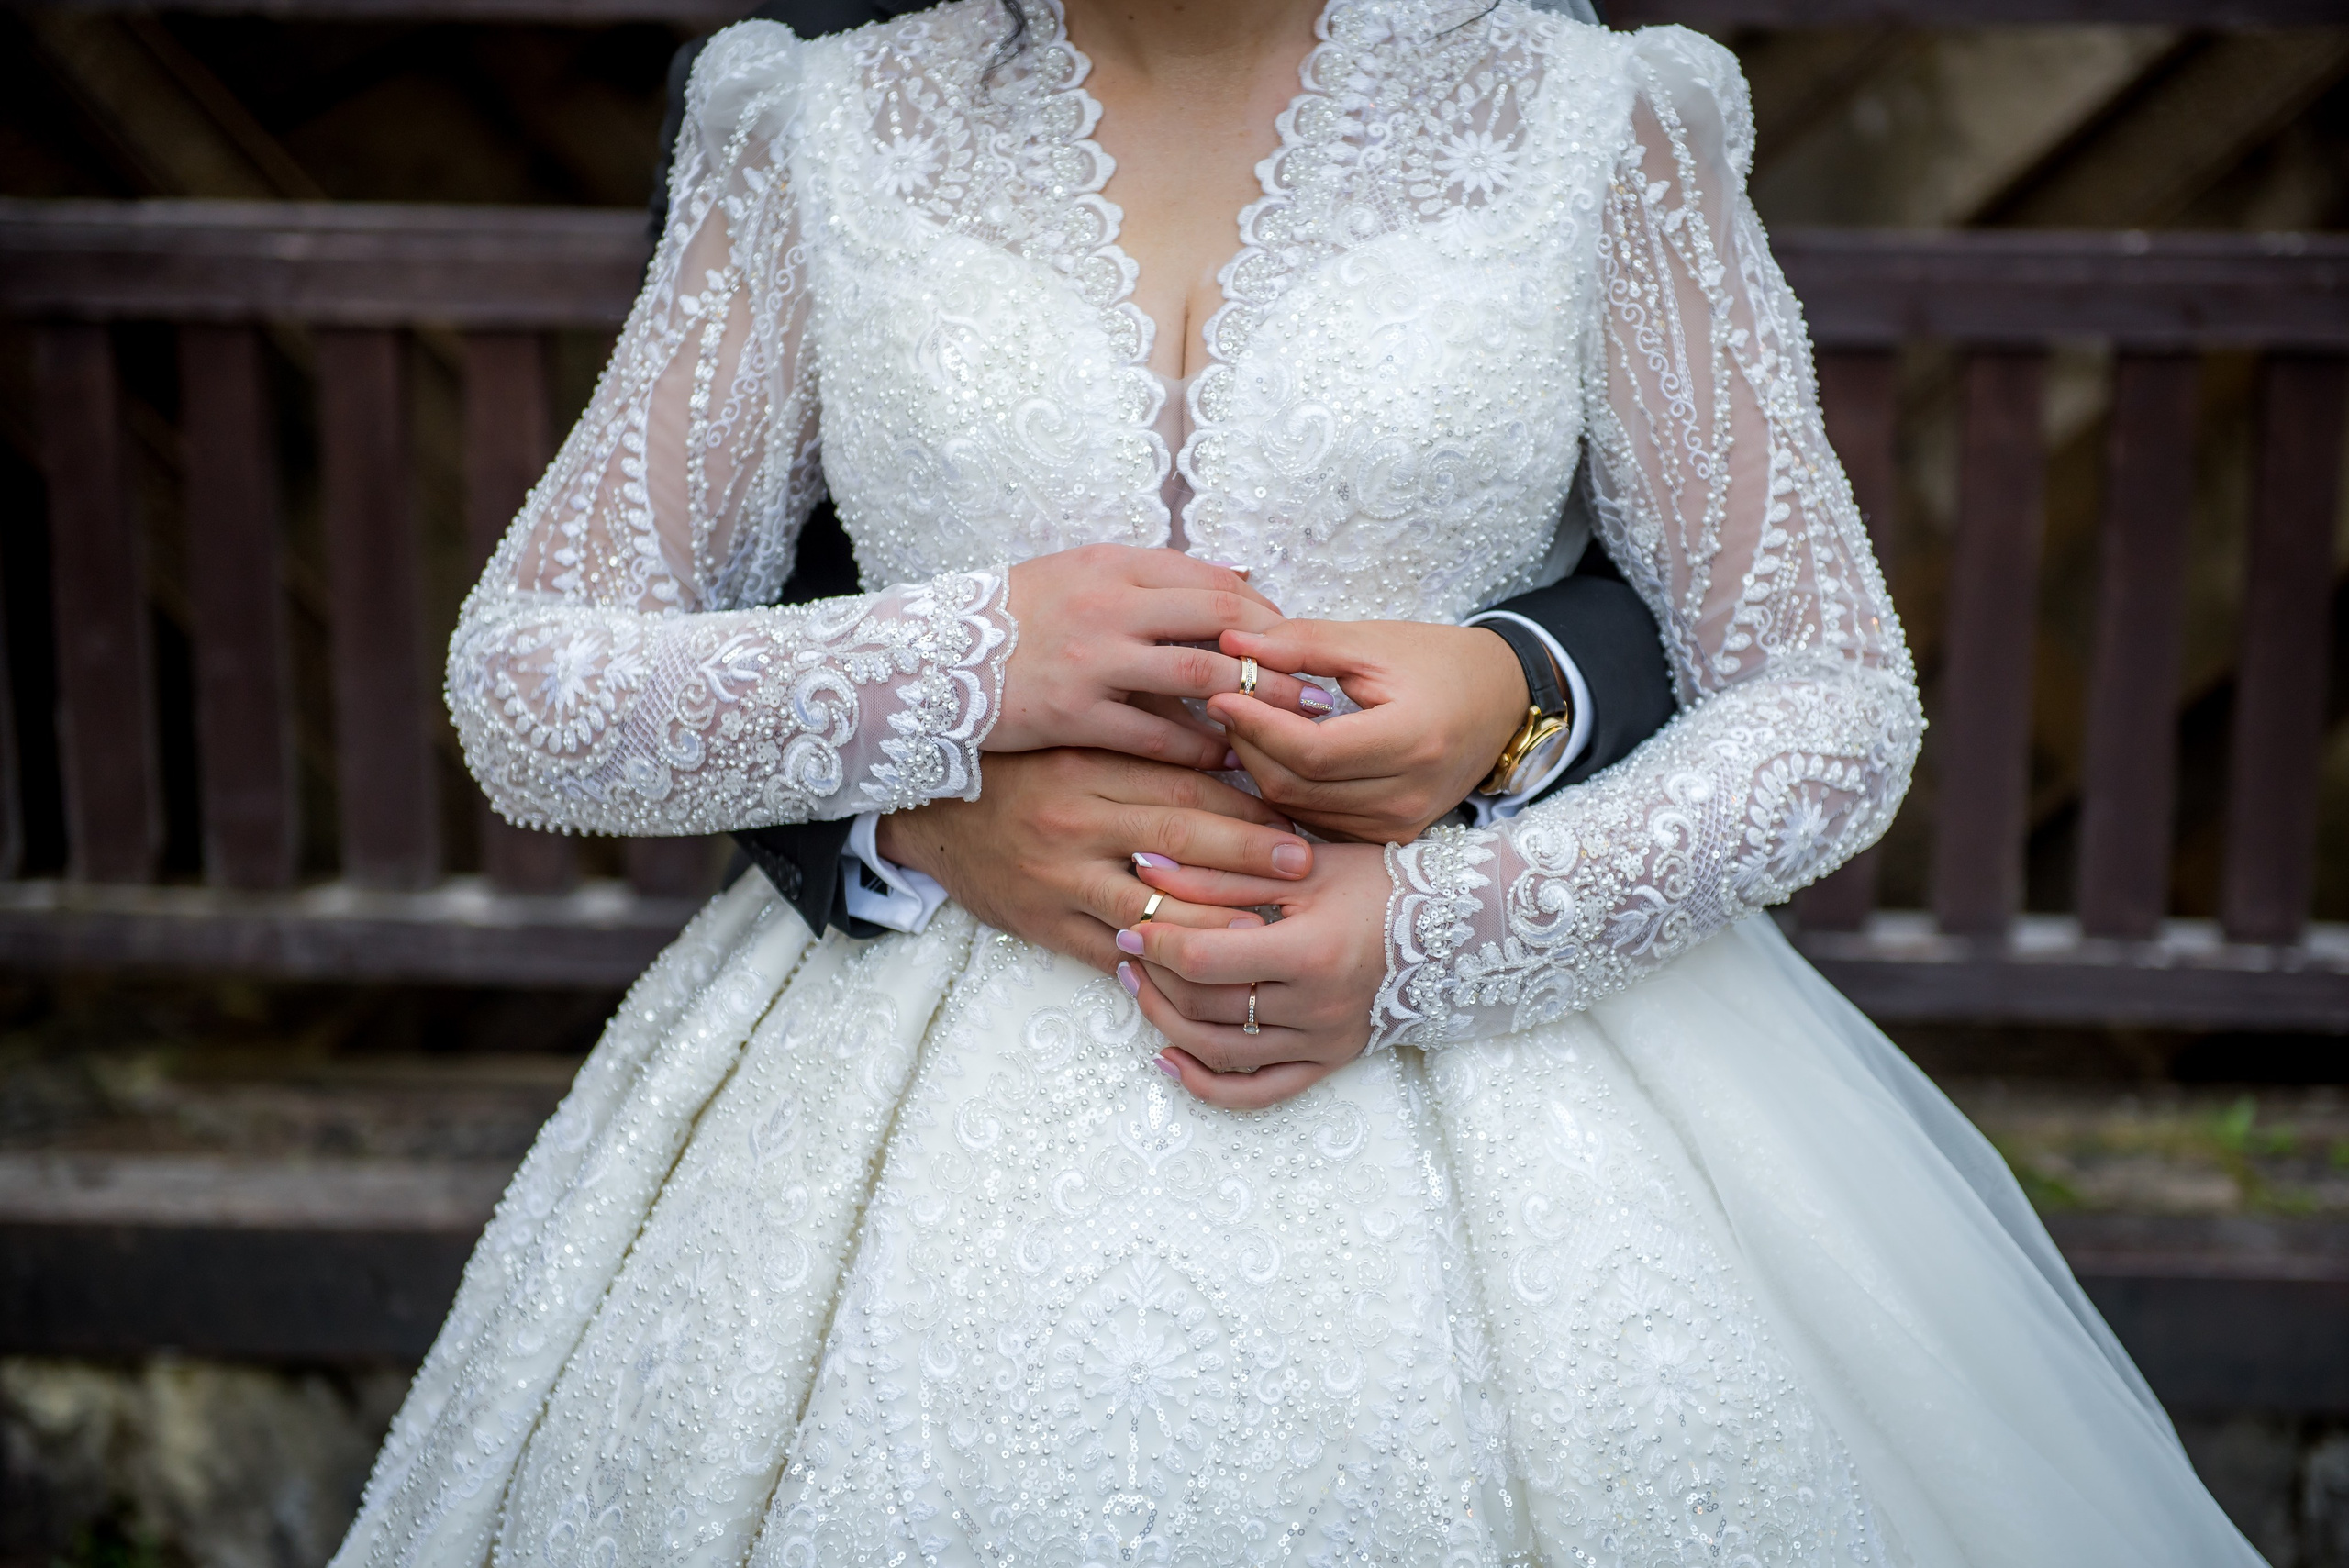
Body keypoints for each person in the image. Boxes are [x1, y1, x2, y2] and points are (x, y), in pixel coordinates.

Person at [334, 1, 2266, 1563]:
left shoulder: (1587, 119)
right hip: (885, 1088)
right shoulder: (815, 127)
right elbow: (529, 684)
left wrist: (1430, 931)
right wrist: (952, 673)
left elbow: (1828, 691)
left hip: (1514, 1089)